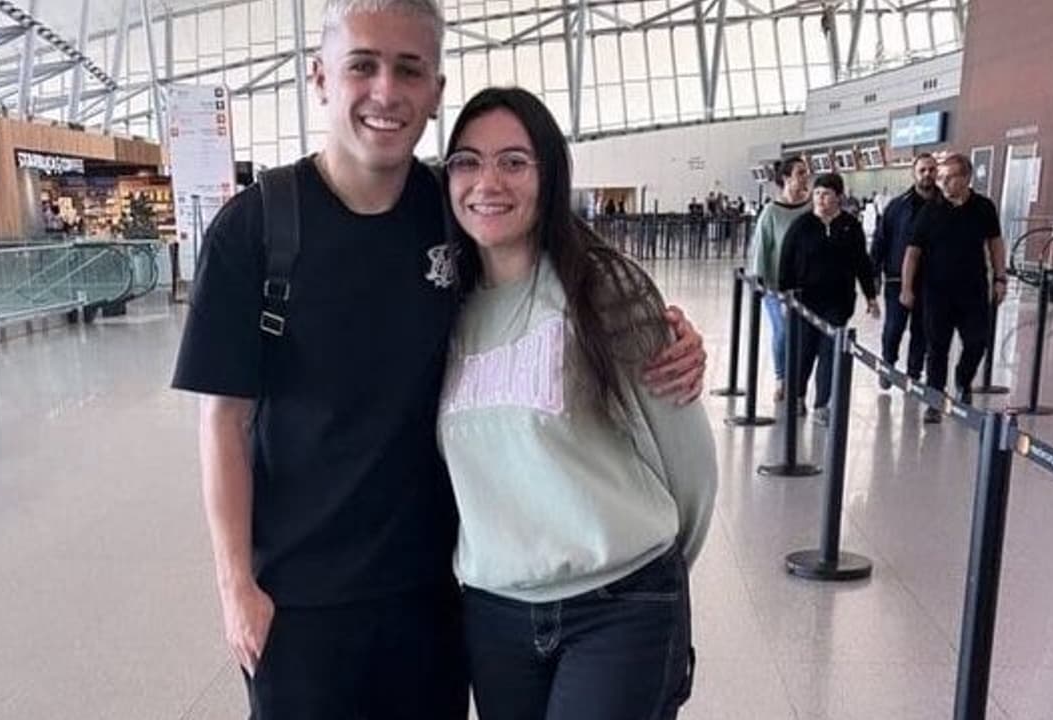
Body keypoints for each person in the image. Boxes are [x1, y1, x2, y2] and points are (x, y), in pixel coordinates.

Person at [170, 0, 710, 716]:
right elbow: (224, 423)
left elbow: (551, 280)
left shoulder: (449, 211)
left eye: (409, 69)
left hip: (432, 598)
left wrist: (661, 328)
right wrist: (236, 587)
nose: (386, 92)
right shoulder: (255, 230)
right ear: (321, 78)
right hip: (300, 600)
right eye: (362, 65)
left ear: (434, 92)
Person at [438, 86, 717, 720]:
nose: (488, 181)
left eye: (514, 161)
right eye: (467, 161)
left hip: (620, 606)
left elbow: (691, 463)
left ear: (549, 173)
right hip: (495, 612)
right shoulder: (442, 307)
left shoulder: (604, 288)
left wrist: (655, 575)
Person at [900, 152, 1006, 424]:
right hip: (936, 292)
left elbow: (995, 243)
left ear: (967, 179)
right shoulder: (930, 210)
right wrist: (907, 288)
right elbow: (913, 252)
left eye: (949, 178)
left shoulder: (984, 208)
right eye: (941, 177)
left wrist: (1000, 278)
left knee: (977, 342)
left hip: (972, 290)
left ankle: (963, 378)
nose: (943, 183)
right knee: (937, 348)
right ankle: (935, 399)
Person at [779, 173, 880, 425]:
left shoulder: (850, 226)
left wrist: (871, 296)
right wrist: (785, 296)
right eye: (816, 194)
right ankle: (797, 395)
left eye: (826, 194)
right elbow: (786, 261)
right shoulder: (801, 226)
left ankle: (822, 404)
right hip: (805, 302)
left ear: (838, 197)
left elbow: (861, 263)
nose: (820, 199)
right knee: (804, 352)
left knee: (829, 353)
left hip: (837, 302)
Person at [870, 153, 937, 390]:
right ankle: (888, 365)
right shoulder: (897, 206)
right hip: (897, 279)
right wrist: (874, 274)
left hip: (930, 281)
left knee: (922, 330)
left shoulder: (942, 206)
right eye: (923, 170)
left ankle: (914, 374)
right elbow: (880, 241)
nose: (927, 174)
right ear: (914, 173)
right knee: (894, 328)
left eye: (931, 169)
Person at [748, 155, 811, 401]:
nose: (805, 178)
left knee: (803, 334)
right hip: (777, 286)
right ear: (786, 178)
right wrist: (760, 281)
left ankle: (799, 381)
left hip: (805, 285)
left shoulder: (809, 210)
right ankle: (781, 377)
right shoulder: (771, 212)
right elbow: (762, 248)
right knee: (782, 331)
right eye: (800, 173)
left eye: (806, 173)